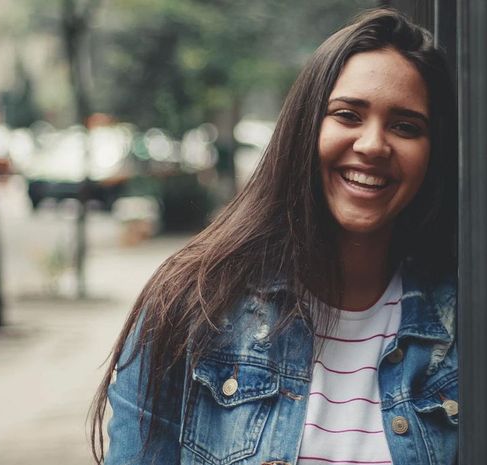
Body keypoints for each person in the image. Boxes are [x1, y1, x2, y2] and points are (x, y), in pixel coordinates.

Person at [90, 8, 458, 465]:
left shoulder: (466, 324)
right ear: (304, 128)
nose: (372, 145)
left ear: (434, 153)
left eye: (406, 126)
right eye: (347, 115)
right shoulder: (192, 305)